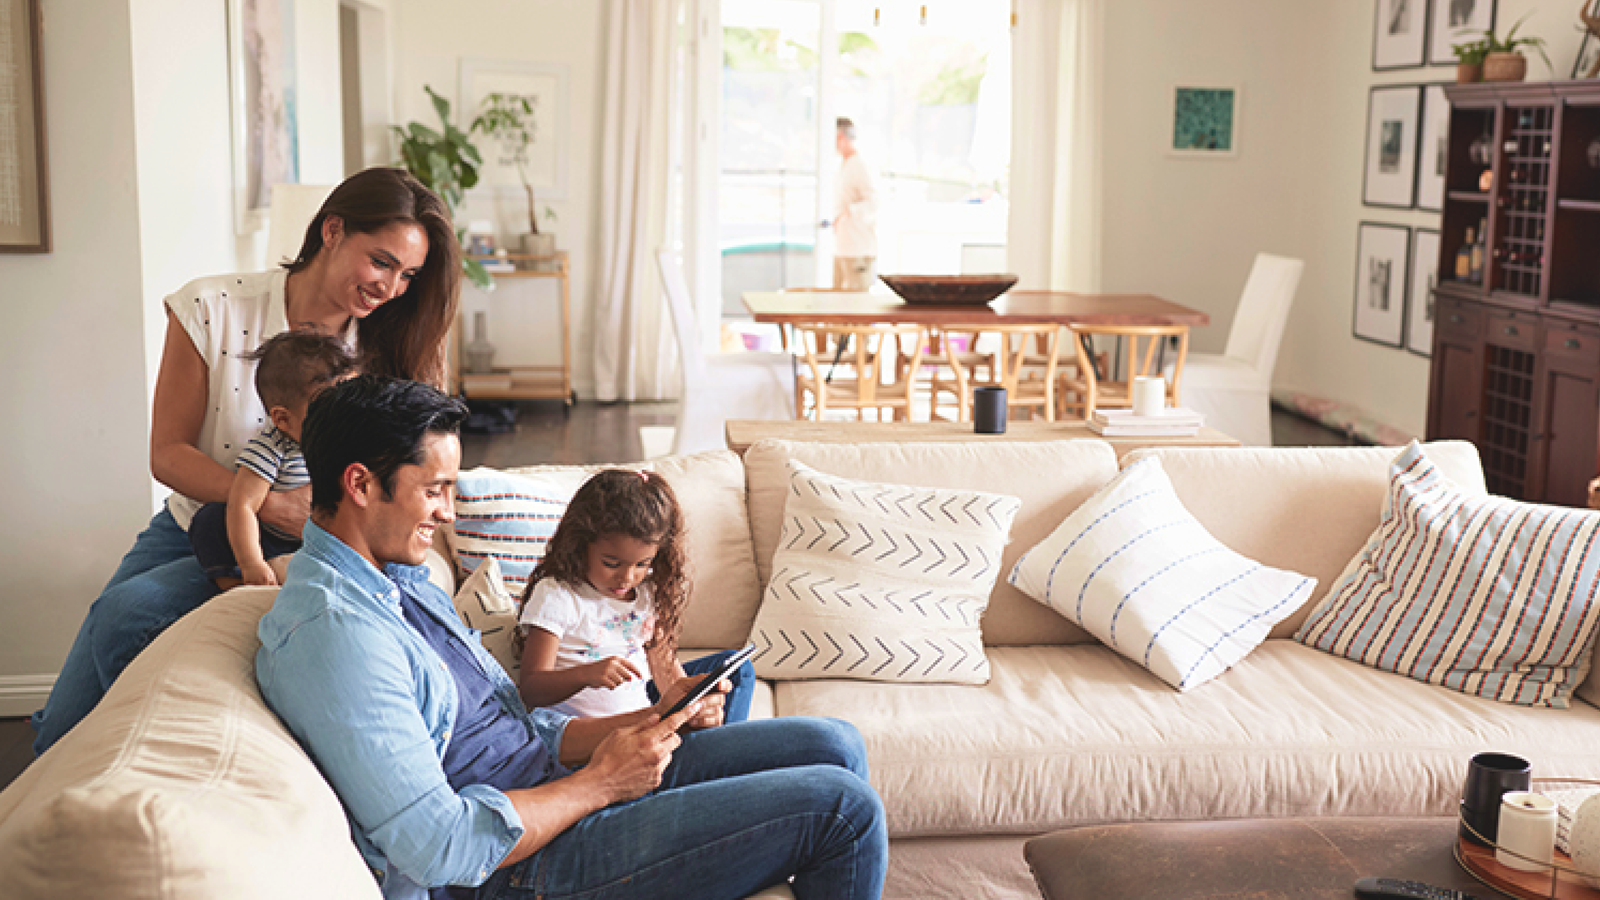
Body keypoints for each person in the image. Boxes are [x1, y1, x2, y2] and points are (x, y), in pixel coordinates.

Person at [256, 375, 887, 900]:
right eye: (434, 489)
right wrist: (602, 784)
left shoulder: (399, 578)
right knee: (843, 810)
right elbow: (438, 846)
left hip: (559, 779)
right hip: (520, 864)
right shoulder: (335, 637)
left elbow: (518, 722)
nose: (447, 511)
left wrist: (644, 722)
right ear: (361, 485)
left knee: (833, 742)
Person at [31, 166, 461, 756]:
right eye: (381, 261)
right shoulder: (213, 307)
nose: (391, 287)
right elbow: (169, 453)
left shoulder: (387, 347)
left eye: (408, 274)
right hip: (197, 519)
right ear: (331, 230)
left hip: (307, 545)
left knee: (128, 615)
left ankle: (122, 765)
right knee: (81, 686)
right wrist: (270, 502)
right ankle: (70, 777)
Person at [516, 469, 755, 723]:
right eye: (611, 563)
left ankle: (717, 744)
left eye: (642, 564)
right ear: (580, 544)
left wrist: (690, 709)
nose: (627, 577)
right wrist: (587, 674)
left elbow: (666, 672)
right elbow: (531, 689)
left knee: (736, 670)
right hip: (596, 736)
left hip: (645, 719)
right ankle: (721, 751)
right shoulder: (558, 595)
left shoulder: (645, 593)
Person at [187, 330, 357, 589]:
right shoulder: (272, 449)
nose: (344, 421)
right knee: (212, 518)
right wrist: (251, 562)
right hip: (272, 542)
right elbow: (242, 505)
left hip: (323, 540)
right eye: (328, 412)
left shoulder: (351, 442)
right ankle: (233, 584)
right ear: (283, 419)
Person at [832, 116, 879, 291]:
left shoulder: (860, 165)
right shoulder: (843, 165)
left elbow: (874, 202)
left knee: (856, 305)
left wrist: (847, 212)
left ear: (840, 137)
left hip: (858, 249)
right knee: (837, 305)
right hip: (842, 248)